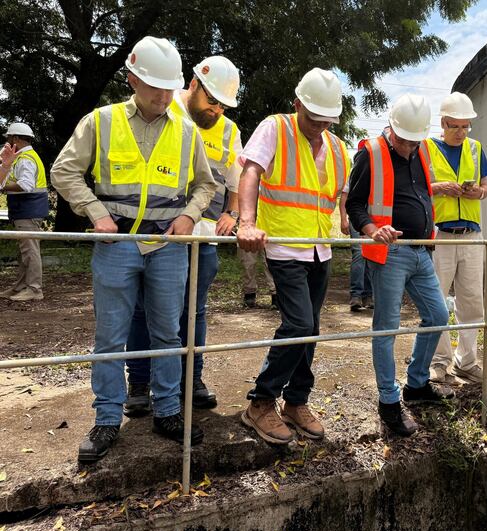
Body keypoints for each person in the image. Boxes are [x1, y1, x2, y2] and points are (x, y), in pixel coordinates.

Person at [50, 36, 216, 462]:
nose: (164, 96)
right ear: (132, 79)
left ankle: (167, 410)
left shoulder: (186, 131)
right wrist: (93, 211)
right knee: (110, 336)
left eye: (169, 88)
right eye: (154, 87)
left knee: (168, 332)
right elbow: (64, 171)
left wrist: (189, 216)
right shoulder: (100, 121)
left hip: (167, 243)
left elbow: (205, 185)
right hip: (117, 240)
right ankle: (107, 418)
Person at [123, 56, 243, 415]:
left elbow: (234, 181)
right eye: (212, 101)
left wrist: (231, 213)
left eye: (223, 104)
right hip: (157, 234)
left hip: (202, 236)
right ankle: (140, 385)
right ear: (193, 86)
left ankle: (191, 380)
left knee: (195, 311)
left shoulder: (228, 131)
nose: (217, 110)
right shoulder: (160, 107)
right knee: (144, 310)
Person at [236, 68, 350, 445]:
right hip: (284, 245)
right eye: (312, 116)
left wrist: (348, 223)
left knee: (311, 327)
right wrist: (247, 221)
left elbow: (336, 195)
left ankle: (296, 402)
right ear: (297, 103)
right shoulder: (276, 127)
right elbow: (251, 171)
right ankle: (261, 403)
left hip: (319, 247)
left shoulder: (335, 145)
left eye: (326, 119)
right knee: (299, 324)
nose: (318, 124)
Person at [346, 94, 453, 438]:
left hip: (421, 250)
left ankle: (416, 384)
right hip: (389, 253)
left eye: (415, 139)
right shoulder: (371, 153)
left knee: (437, 315)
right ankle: (389, 403)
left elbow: (421, 193)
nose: (409, 146)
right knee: (387, 328)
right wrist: (372, 229)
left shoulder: (420, 151)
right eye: (405, 139)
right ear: (392, 128)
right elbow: (355, 204)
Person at [422, 92, 487, 384]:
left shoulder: (475, 149)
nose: (461, 133)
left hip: (471, 234)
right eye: (455, 126)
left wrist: (480, 192)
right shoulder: (425, 148)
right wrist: (439, 188)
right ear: (443, 122)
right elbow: (415, 187)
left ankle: (467, 361)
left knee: (472, 300)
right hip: (440, 234)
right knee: (436, 300)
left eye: (465, 127)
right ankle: (439, 361)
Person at [0, 123, 48, 301]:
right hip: (25, 210)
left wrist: (2, 188)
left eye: (9, 137)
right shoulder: (24, 156)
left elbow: (25, 185)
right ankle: (20, 287)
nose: (7, 140)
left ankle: (34, 289)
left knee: (30, 251)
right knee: (24, 251)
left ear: (16, 139)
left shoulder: (25, 159)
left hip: (28, 210)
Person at [338, 180, 373, 312]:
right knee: (359, 253)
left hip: (375, 218)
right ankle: (356, 295)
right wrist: (343, 219)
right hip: (357, 218)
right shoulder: (358, 168)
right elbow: (345, 196)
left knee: (372, 255)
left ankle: (369, 296)